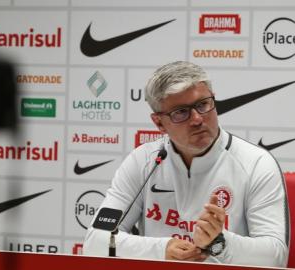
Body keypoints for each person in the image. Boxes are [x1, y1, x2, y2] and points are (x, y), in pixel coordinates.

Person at [83, 61, 289, 267]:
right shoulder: (142, 162)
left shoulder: (256, 163)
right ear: (159, 123)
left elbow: (275, 256)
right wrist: (161, 250)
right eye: (181, 112)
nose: (197, 119)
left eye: (203, 104)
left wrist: (219, 242)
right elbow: (95, 242)